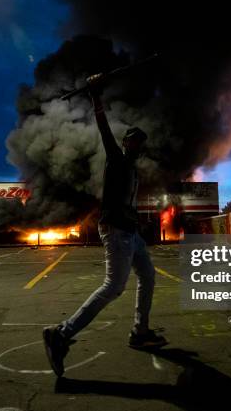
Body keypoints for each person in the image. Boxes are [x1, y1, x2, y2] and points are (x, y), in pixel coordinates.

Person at [42, 73, 168, 377]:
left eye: (141, 141)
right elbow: (102, 127)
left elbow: (128, 201)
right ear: (125, 143)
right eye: (133, 140)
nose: (137, 144)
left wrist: (136, 220)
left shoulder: (133, 170)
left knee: (148, 276)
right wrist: (96, 96)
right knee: (113, 287)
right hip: (116, 231)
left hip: (131, 233)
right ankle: (61, 334)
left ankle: (140, 331)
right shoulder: (117, 158)